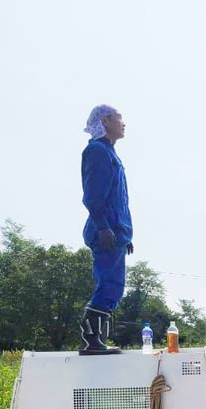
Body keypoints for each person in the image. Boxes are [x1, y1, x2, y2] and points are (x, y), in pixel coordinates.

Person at [78, 104, 133, 355]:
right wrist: (103, 227)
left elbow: (118, 199)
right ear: (105, 121)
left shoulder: (110, 152)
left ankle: (97, 339)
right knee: (109, 285)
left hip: (115, 231)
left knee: (114, 286)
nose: (123, 123)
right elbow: (92, 195)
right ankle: (90, 341)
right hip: (105, 232)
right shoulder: (97, 151)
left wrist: (124, 233)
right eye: (119, 118)